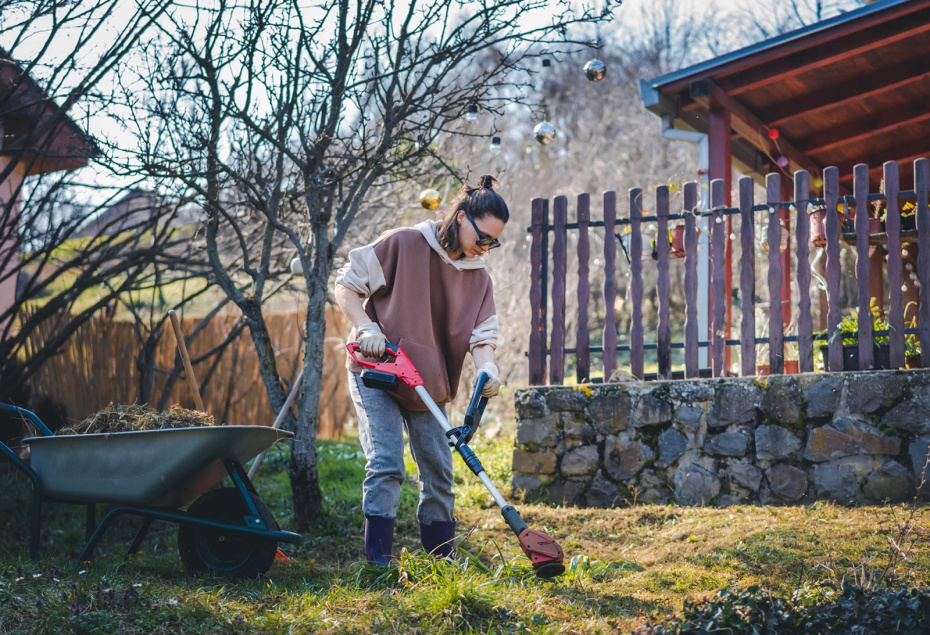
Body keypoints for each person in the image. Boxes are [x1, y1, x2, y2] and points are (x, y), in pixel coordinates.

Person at [333, 174, 508, 565]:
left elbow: (483, 339)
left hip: (427, 383)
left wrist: (488, 372)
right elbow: (346, 287)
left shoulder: (478, 277)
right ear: (461, 217)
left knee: (439, 472)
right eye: (484, 237)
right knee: (387, 463)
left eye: (494, 242)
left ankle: (440, 561)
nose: (487, 247)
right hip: (376, 371)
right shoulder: (404, 243)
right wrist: (366, 326)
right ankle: (378, 563)